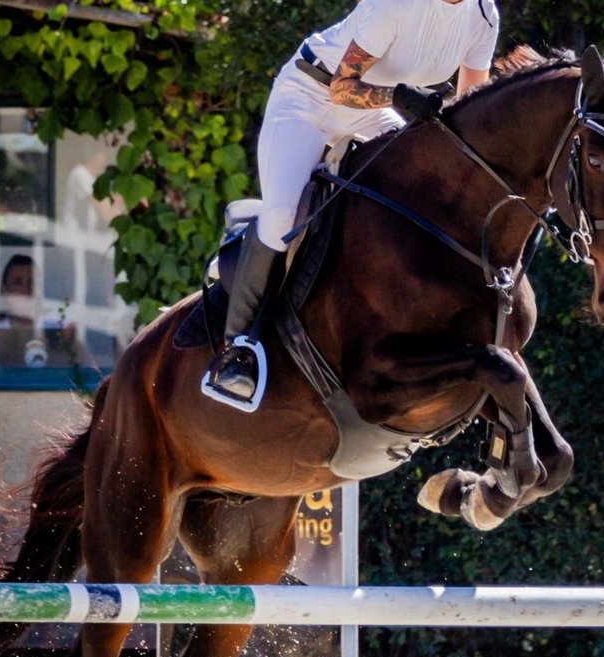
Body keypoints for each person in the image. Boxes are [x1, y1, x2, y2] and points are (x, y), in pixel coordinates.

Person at [204, 0, 500, 409]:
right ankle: (237, 347)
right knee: (281, 217)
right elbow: (341, 87)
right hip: (310, 97)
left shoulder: (484, 17)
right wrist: (401, 96)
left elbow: (471, 106)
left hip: (375, 113)